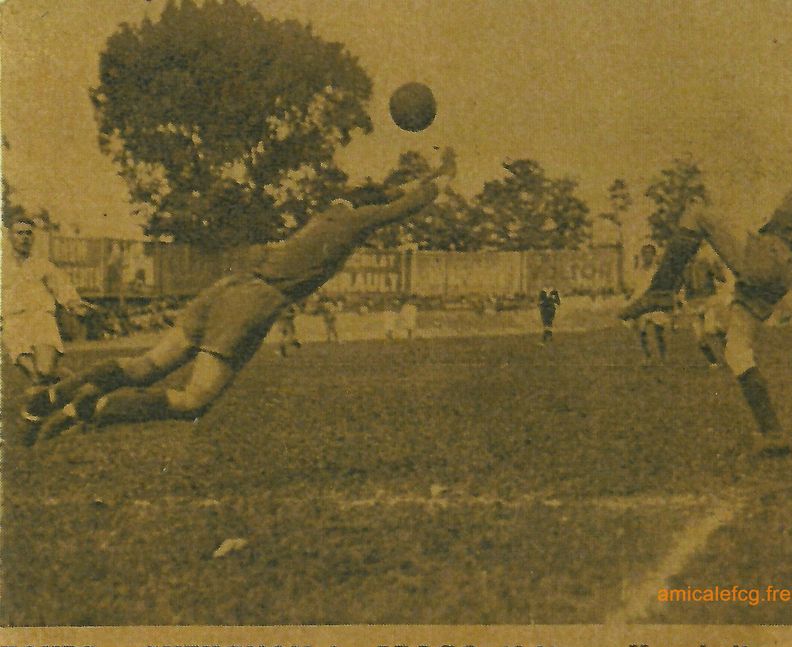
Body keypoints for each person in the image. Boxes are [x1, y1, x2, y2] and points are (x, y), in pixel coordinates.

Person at [29, 150, 455, 439]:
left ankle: (53, 396)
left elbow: (381, 197)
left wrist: (417, 180)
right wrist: (441, 181)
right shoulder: (352, 225)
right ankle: (88, 412)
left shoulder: (331, 212)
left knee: (145, 366)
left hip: (228, 287)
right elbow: (398, 208)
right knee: (194, 399)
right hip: (253, 301)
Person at [621, 128, 792, 455]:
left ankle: (661, 290)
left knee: (697, 212)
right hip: (776, 271)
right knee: (737, 351)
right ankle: (773, 435)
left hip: (768, 259)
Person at [2, 218, 94, 440]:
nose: (24, 237)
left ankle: (36, 422)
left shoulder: (42, 265)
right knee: (36, 375)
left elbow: (63, 289)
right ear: (10, 236)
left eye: (28, 233)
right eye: (19, 233)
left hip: (41, 320)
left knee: (44, 372)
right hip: (13, 324)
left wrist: (75, 305)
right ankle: (77, 398)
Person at [681, 245, 733, 368]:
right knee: (699, 338)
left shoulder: (705, 262)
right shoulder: (683, 267)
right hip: (692, 302)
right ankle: (713, 362)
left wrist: (716, 267)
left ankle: (729, 352)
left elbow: (722, 278)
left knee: (711, 330)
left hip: (708, 299)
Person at [628, 244, 669, 364]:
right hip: (642, 304)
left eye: (649, 254)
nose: (647, 256)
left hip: (656, 304)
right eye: (644, 254)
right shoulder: (637, 272)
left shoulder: (658, 271)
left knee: (658, 333)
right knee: (641, 331)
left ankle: (663, 357)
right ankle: (647, 357)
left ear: (654, 256)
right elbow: (635, 289)